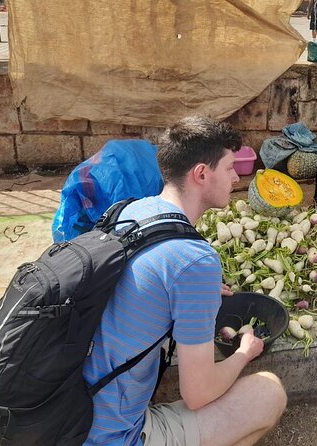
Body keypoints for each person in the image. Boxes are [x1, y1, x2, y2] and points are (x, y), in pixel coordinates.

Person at [82, 116, 287, 446]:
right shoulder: (195, 261)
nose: (237, 177)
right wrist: (244, 353)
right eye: (230, 168)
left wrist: (193, 293)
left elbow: (142, 282)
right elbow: (198, 394)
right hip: (114, 436)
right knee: (269, 393)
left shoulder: (131, 210)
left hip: (74, 413)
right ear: (202, 174)